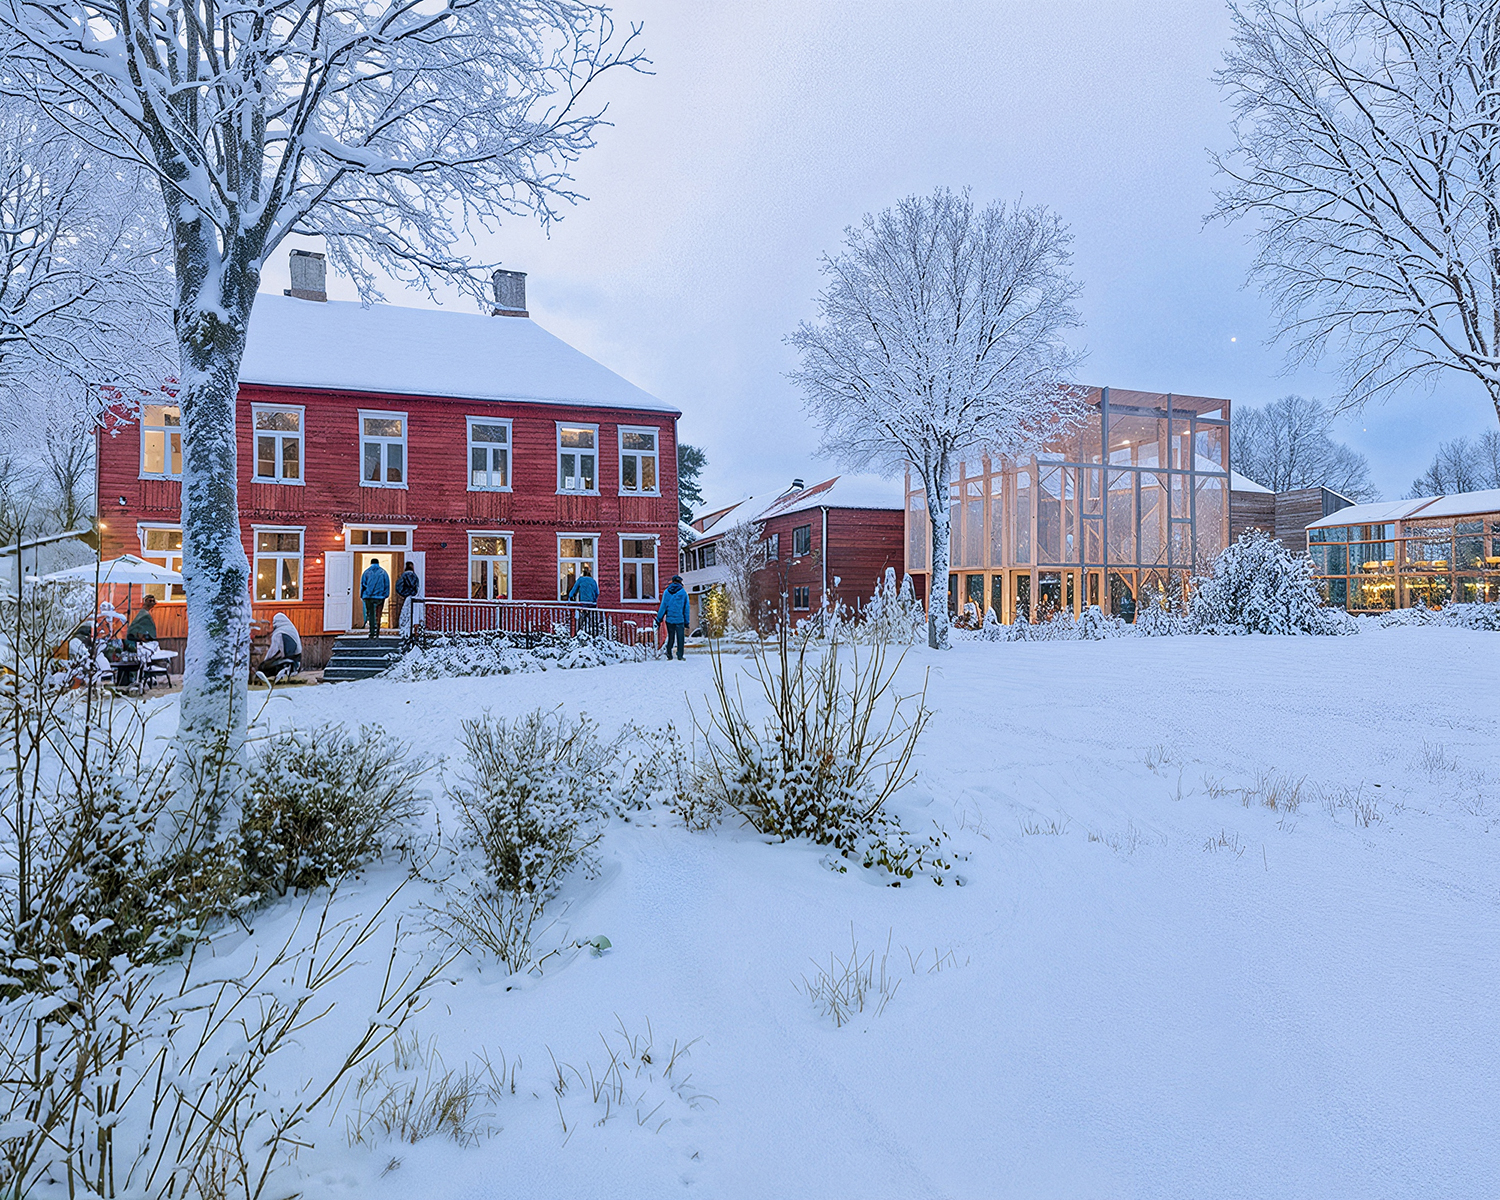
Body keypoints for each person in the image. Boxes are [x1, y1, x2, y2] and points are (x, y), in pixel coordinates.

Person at [656, 574, 690, 661]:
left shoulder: (667, 592)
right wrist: (686, 622)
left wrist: (659, 619)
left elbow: (663, 606)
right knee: (680, 638)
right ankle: (680, 655)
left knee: (671, 637)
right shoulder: (683, 593)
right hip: (680, 620)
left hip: (669, 620)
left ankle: (669, 653)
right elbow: (686, 608)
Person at [261, 612, 302, 679]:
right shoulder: (291, 630)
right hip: (296, 663)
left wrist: (265, 661)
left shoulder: (278, 633)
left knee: (263, 667)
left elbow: (273, 651)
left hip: (287, 662)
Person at [360, 558, 390, 638]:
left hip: (368, 597)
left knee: (370, 614)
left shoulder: (366, 572)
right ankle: (377, 631)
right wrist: (385, 595)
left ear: (371, 563)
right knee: (378, 614)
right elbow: (387, 585)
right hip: (380, 596)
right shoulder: (383, 572)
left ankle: (372, 631)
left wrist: (362, 595)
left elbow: (363, 584)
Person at [395, 562, 421, 638]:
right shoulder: (415, 576)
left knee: (405, 613)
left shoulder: (403, 576)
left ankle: (404, 629)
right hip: (413, 597)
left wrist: (403, 594)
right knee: (412, 613)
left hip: (405, 597)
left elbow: (399, 587)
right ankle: (412, 629)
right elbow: (417, 587)